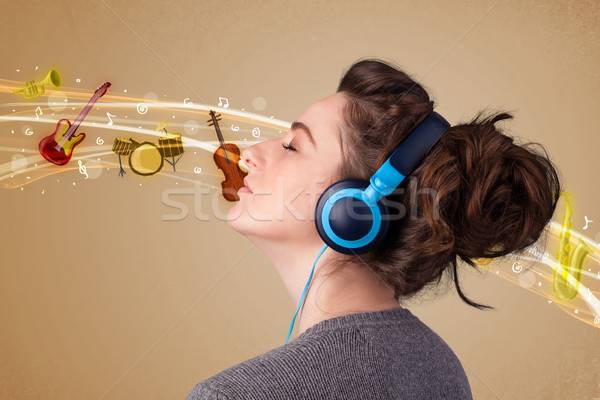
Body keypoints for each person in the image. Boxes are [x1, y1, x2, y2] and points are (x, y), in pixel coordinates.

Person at [186, 59, 561, 399]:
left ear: (354, 208)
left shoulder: (232, 396)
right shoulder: (441, 369)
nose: (248, 153)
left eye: (293, 146)